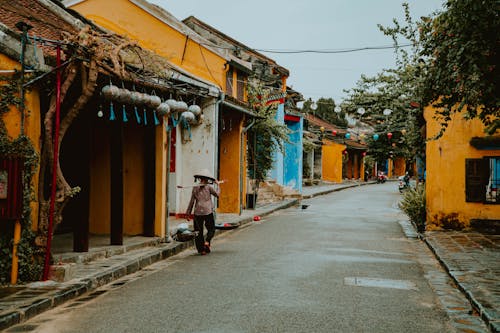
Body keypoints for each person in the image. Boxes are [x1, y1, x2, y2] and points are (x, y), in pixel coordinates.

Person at [185, 169, 220, 255]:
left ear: (200, 179)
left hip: (198, 212)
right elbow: (217, 195)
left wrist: (188, 214)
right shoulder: (209, 187)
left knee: (198, 232)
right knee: (211, 228)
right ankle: (207, 241)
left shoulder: (195, 187)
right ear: (207, 179)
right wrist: (218, 185)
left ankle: (202, 250)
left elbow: (192, 201)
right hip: (208, 211)